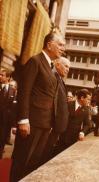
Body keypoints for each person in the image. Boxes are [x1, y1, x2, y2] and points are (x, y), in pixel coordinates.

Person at [10, 31, 65, 182]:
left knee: (33, 163)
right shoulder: (35, 61)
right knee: (22, 161)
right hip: (31, 123)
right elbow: (24, 92)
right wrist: (23, 120)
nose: (63, 48)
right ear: (49, 44)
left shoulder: (51, 66)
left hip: (45, 124)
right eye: (60, 44)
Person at [42, 56, 70, 163]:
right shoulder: (53, 77)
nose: (68, 69)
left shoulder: (60, 79)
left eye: (69, 68)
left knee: (45, 155)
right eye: (66, 66)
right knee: (41, 155)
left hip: (56, 127)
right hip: (50, 126)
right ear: (58, 64)